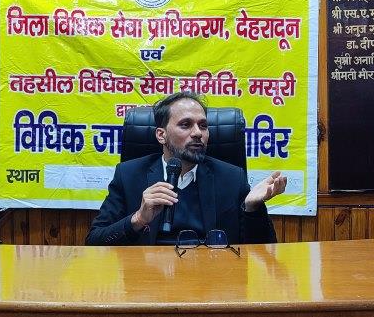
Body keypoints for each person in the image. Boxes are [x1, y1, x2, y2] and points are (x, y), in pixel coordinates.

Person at [86, 92, 286, 245]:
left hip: (210, 279)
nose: (198, 133)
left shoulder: (231, 178)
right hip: (149, 281)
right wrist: (138, 219)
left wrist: (252, 208)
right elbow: (94, 241)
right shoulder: (129, 175)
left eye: (203, 126)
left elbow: (262, 247)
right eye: (185, 125)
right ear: (161, 135)